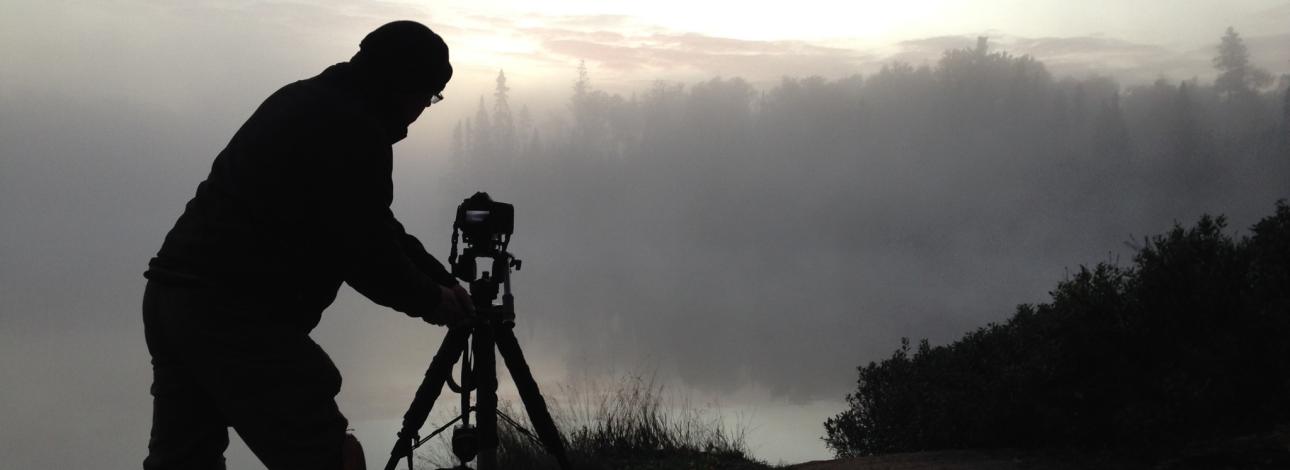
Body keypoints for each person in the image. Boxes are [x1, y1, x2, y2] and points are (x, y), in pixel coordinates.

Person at [141, 21, 467, 470]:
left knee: (184, 460)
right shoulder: (353, 128)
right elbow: (365, 252)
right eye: (428, 97)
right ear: (402, 84)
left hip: (171, 297)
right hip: (233, 314)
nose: (422, 112)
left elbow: (373, 223)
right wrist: (434, 301)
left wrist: (441, 280)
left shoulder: (309, 99)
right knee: (330, 457)